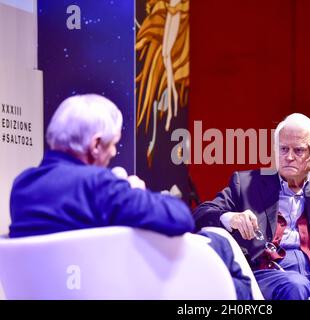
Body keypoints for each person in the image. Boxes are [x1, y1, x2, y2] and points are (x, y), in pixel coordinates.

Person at [9, 94, 252, 299]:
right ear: (95, 145)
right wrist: (135, 191)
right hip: (113, 288)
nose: (114, 152)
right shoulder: (98, 185)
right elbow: (181, 218)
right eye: (113, 144)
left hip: (54, 290)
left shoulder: (22, 186)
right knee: (228, 261)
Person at [193, 113, 310, 300]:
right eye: (283, 149)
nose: (289, 157)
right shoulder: (247, 183)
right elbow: (201, 214)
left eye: (298, 150)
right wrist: (231, 217)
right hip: (270, 274)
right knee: (295, 284)